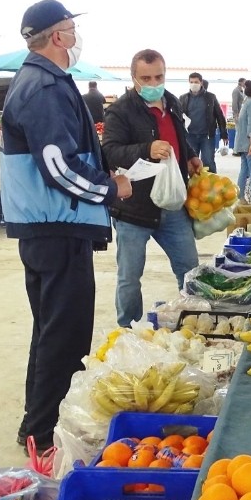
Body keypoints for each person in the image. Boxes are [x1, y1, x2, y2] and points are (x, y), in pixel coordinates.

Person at [0, 0, 132, 453]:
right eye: (72, 29)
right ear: (58, 36)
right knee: (65, 332)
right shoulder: (44, 87)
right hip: (55, 226)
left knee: (51, 328)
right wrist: (111, 189)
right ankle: (43, 435)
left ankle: (35, 424)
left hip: (46, 225)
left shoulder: (38, 80)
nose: (76, 38)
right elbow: (58, 165)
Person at [102, 49, 203, 328]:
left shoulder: (172, 103)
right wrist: (146, 149)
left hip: (172, 206)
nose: (153, 83)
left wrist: (191, 154)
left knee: (190, 269)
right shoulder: (120, 111)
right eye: (145, 78)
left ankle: (194, 322)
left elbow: (179, 136)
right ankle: (128, 330)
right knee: (130, 277)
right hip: (134, 209)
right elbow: (109, 152)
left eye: (158, 76)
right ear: (133, 77)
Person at [177, 72, 228, 173]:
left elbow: (220, 116)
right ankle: (193, 186)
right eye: (191, 82)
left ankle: (211, 186)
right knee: (191, 163)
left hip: (207, 136)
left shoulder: (211, 97)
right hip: (190, 136)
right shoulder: (183, 98)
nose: (193, 84)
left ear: (201, 82)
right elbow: (178, 117)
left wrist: (224, 133)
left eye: (196, 82)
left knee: (208, 162)